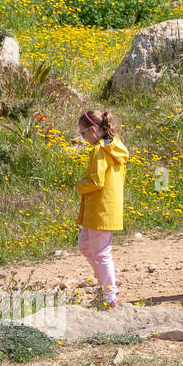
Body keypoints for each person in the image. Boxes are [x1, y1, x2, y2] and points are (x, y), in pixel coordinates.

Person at [74, 109, 129, 309]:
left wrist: (79, 185)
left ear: (94, 129)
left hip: (100, 207)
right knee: (85, 246)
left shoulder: (99, 149)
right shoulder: (115, 146)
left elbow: (96, 181)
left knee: (101, 253)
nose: (83, 137)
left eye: (83, 132)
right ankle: (106, 287)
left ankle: (109, 294)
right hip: (105, 206)